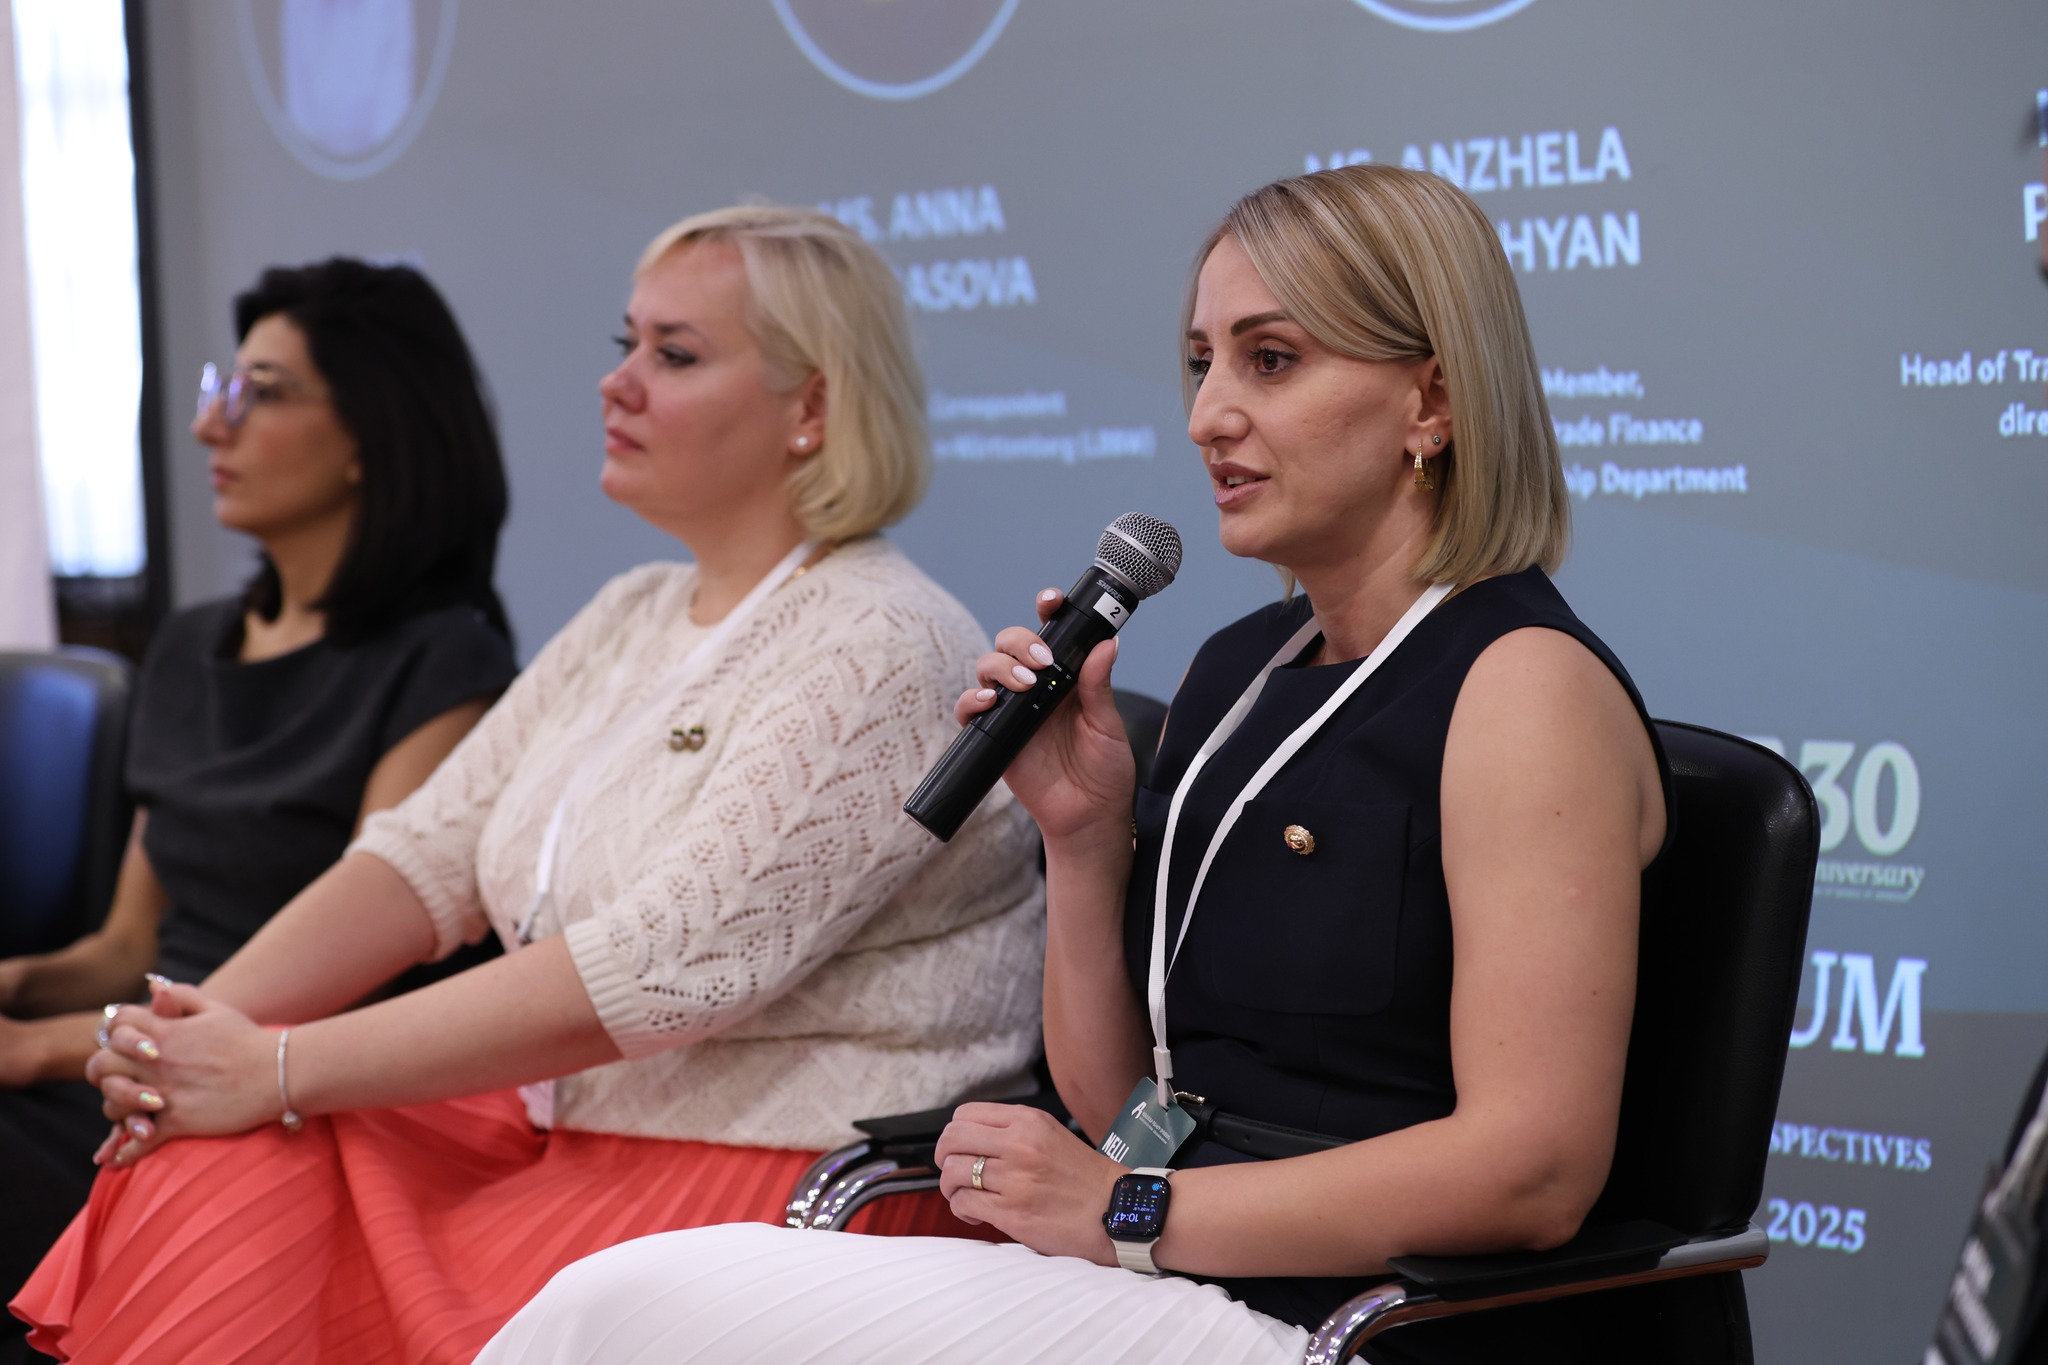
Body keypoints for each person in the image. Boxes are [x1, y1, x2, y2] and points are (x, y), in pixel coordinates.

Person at [477, 162, 1679, 1365]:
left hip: (1363, 1322)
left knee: (622, 1315)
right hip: (1181, 1278)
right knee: (617, 1305)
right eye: (1201, 364)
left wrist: (1126, 1213)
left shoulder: (1522, 688)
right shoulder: (1239, 668)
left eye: (1270, 361)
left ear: (1431, 401)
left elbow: (1531, 1171)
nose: (1208, 416)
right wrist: (1083, 839)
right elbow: (1121, 1113)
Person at [10, 205, 1043, 1365]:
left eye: (674, 355)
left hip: (776, 1182)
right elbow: (421, 857)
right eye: (624, 343)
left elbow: (660, 969)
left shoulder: (883, 642)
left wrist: (276, 1067)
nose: (617, 383)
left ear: (810, 407)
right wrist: (189, 1042)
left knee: (253, 1158)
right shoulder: (633, 611)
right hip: (572, 1132)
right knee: (211, 1162)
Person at [0, 258, 516, 1360]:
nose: (210, 426)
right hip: (131, 1059)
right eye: (219, 388)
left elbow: (363, 972)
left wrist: (39, 1049)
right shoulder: (190, 644)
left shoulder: (447, 664)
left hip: (285, 1095)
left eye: (262, 393)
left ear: (371, 433)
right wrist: (18, 989)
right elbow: (126, 947)